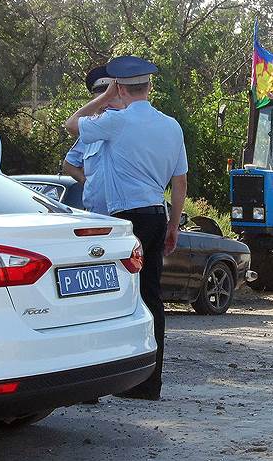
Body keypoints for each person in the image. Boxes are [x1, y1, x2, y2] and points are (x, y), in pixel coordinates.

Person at [64, 55, 188, 401]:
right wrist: (174, 224)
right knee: (150, 297)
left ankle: (94, 384)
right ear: (150, 86)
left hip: (124, 219)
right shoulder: (171, 126)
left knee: (104, 297)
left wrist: (104, 98)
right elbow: (180, 182)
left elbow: (71, 125)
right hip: (156, 213)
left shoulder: (116, 121)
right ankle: (149, 384)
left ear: (120, 87)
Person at [62, 65, 122, 215]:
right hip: (97, 214)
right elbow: (69, 165)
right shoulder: (89, 129)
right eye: (101, 98)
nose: (105, 104)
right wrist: (88, 183)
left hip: (126, 213)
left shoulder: (128, 124)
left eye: (109, 96)